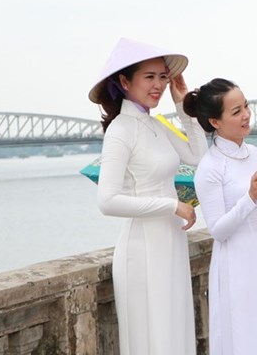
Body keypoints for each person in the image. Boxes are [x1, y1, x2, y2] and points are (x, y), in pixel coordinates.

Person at [90, 37, 208, 355]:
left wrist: (184, 109)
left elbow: (198, 155)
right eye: (149, 77)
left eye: (162, 76)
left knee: (175, 333)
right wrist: (171, 205)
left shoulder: (155, 125)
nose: (158, 85)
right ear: (125, 81)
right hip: (142, 251)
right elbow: (108, 200)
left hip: (170, 243)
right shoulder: (121, 130)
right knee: (152, 340)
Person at [183, 78, 257, 355]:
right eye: (236, 111)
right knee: (244, 333)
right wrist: (249, 198)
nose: (246, 115)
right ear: (215, 122)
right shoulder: (209, 167)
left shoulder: (255, 154)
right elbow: (218, 230)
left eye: (246, 106)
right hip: (237, 260)